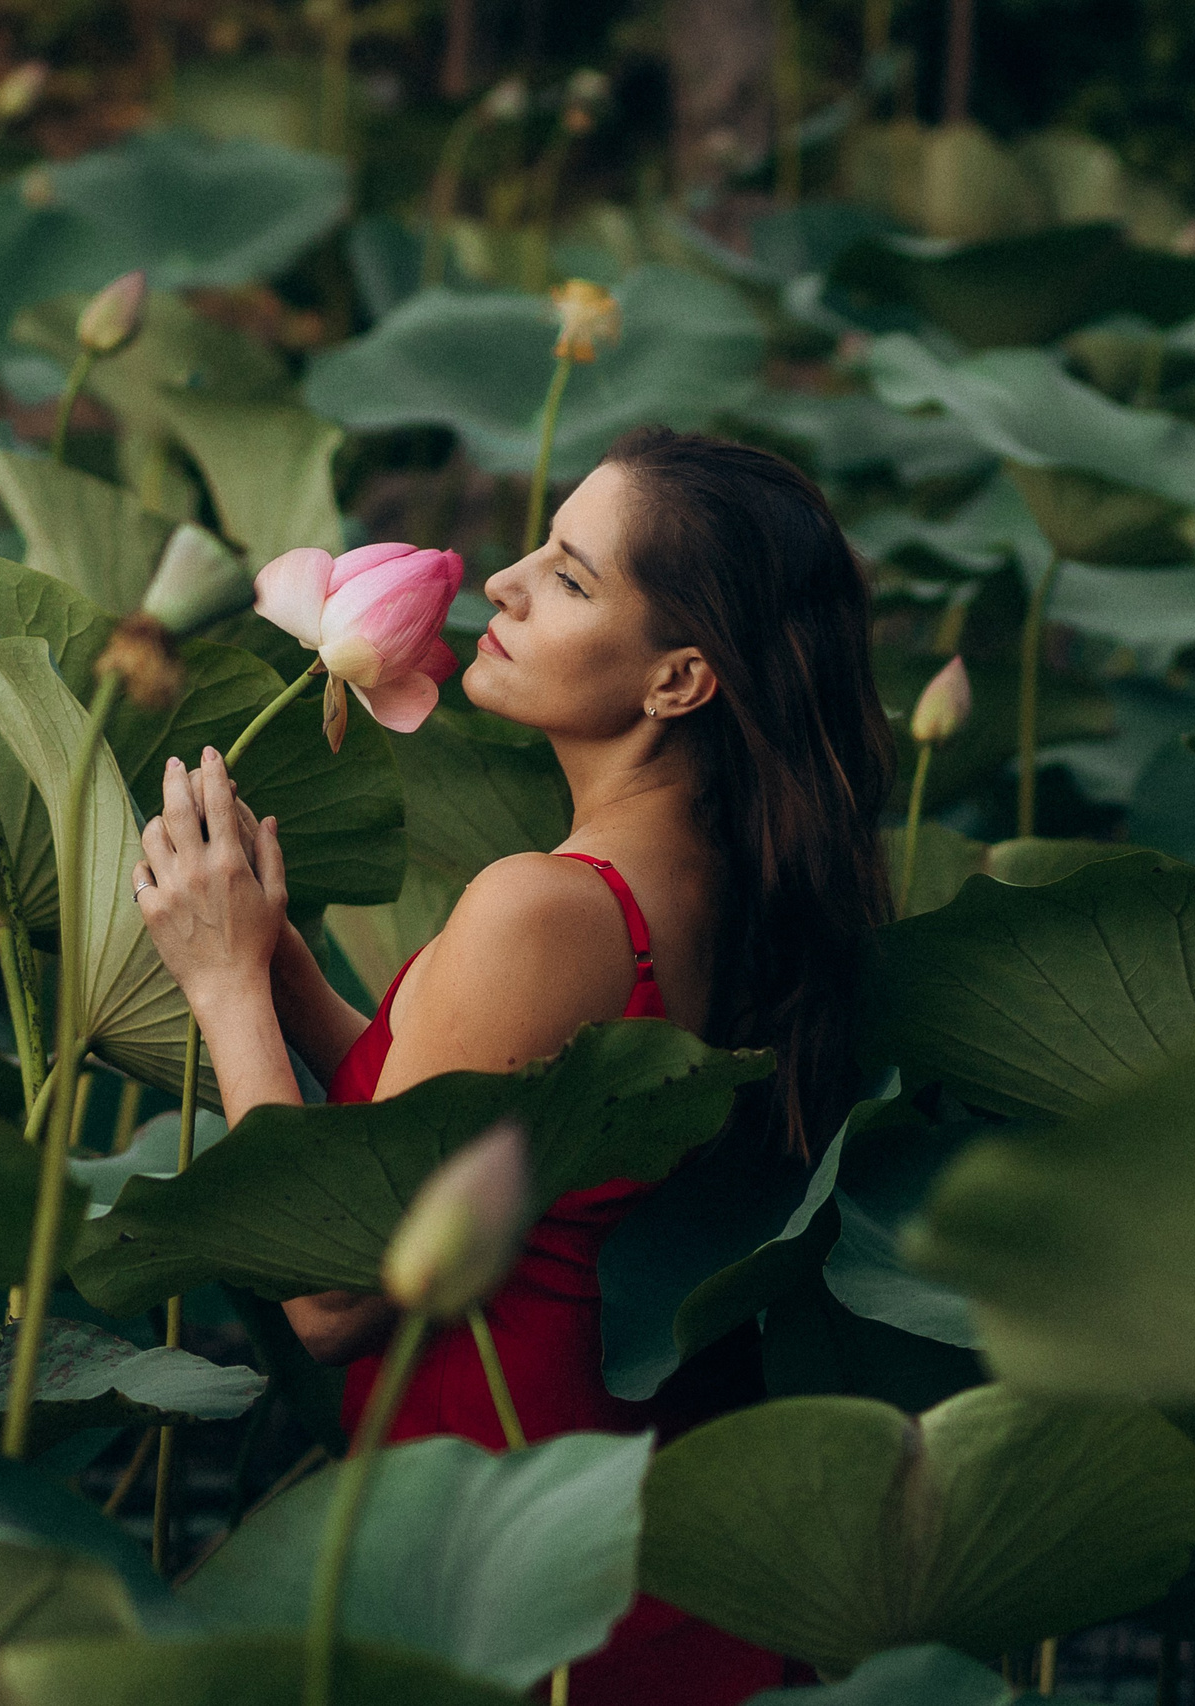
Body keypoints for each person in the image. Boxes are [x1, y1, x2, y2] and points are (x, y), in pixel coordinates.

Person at [129, 427, 897, 1704]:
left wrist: (221, 987)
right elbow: (480, 1126)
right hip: (647, 1553)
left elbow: (334, 1295)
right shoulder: (723, 883)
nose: (503, 580)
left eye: (571, 575)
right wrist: (284, 968)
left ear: (679, 679)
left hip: (510, 1589)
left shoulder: (544, 906)